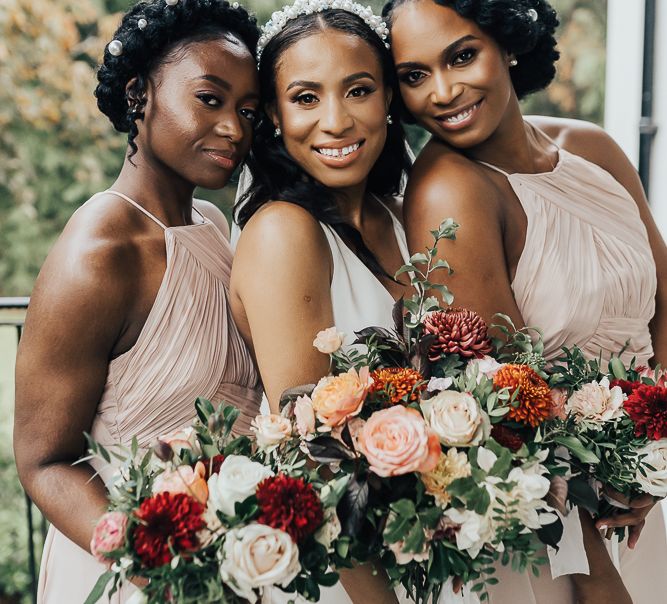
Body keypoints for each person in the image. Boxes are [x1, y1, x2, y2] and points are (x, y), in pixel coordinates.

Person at [383, 0, 667, 602]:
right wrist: (597, 579)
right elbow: (514, 407)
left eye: (463, 56)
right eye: (413, 75)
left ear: (509, 43)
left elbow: (666, 304)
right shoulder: (449, 191)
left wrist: (653, 459)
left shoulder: (593, 149)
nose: (442, 90)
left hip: (632, 497)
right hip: (553, 535)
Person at [13, 1, 262, 602]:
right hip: (142, 573)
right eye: (210, 99)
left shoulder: (208, 221)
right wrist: (158, 566)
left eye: (249, 111)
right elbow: (45, 461)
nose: (234, 127)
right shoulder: (102, 248)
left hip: (234, 556)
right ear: (139, 95)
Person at [229, 2, 417, 602]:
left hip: (431, 544)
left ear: (388, 96)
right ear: (276, 116)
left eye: (358, 90)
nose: (335, 121)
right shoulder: (283, 232)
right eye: (306, 98)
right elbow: (312, 455)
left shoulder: (406, 216)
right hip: (350, 572)